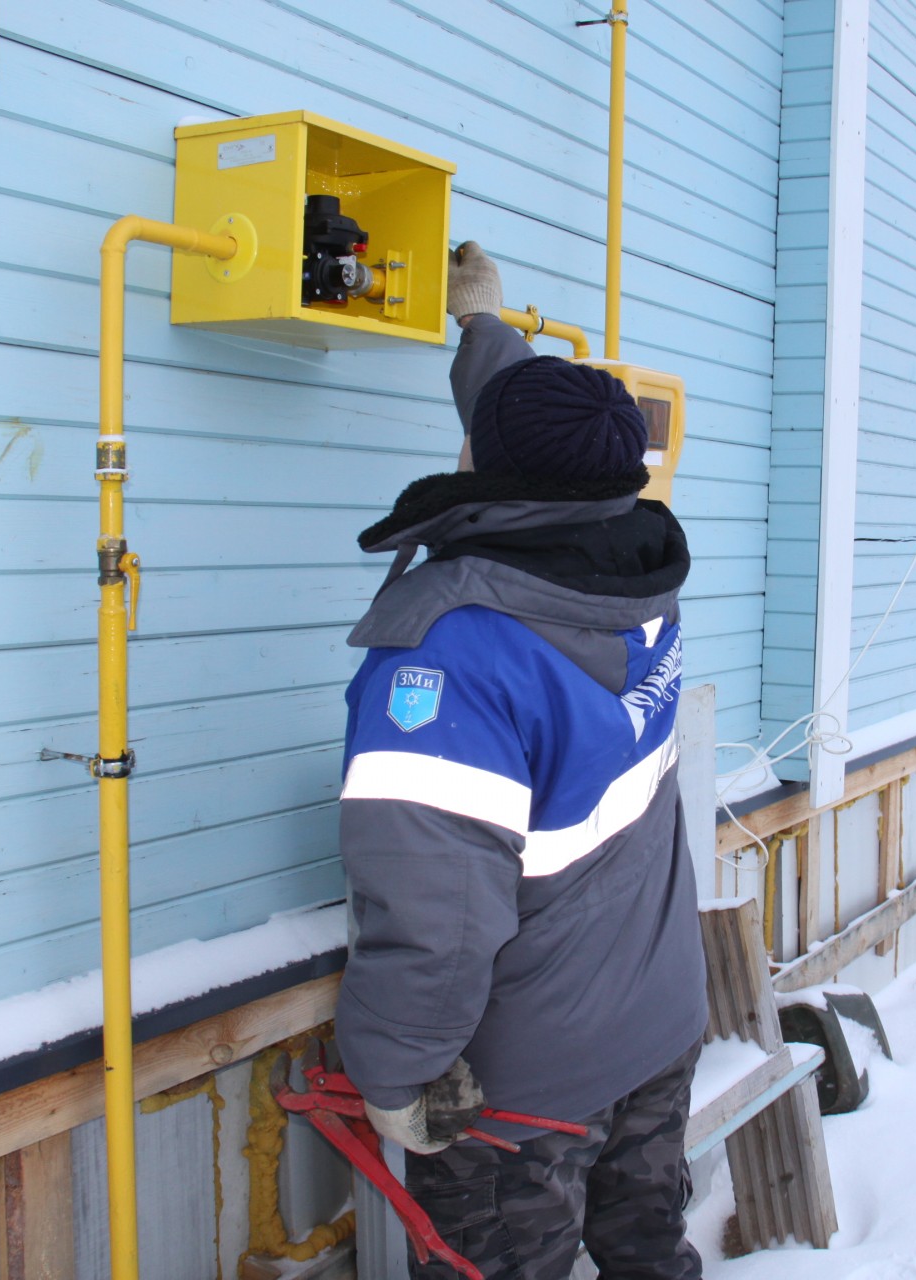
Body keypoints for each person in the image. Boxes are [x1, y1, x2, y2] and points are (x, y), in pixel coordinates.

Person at [332, 242, 708, 1279]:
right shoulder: (632, 569)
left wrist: (402, 1071)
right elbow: (547, 453)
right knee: (645, 1250)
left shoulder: (458, 654)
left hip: (532, 1077)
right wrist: (482, 328)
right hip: (660, 1009)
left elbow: (437, 908)